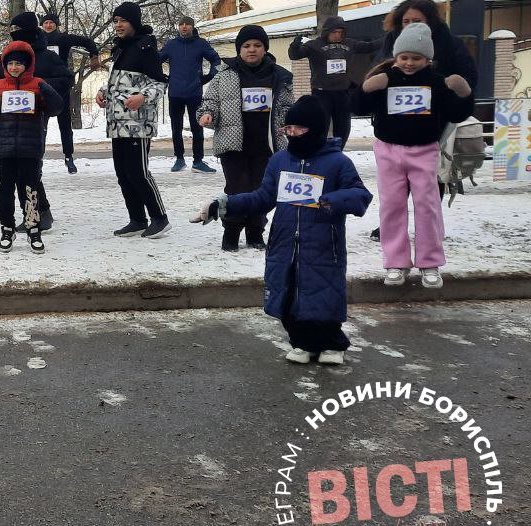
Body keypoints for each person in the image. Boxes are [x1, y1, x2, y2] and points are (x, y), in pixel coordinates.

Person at [194, 96, 372, 365]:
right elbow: (262, 197)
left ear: (315, 130)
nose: (292, 134)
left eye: (298, 129)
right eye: (288, 129)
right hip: (284, 243)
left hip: (324, 245)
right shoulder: (279, 161)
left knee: (323, 291)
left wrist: (333, 200)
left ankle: (332, 343)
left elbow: (360, 195)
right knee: (288, 294)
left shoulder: (338, 163)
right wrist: (224, 203)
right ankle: (301, 342)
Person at [356, 22, 473, 289]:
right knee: (392, 207)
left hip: (424, 151)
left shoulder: (436, 82)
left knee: (427, 206)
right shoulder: (387, 79)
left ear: (427, 59)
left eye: (416, 58)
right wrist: (367, 89)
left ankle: (430, 263)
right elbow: (357, 107)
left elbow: (456, 113)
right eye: (404, 57)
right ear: (396, 57)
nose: (409, 63)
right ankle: (395, 262)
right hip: (388, 150)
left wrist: (464, 93)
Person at [197, 25, 294, 251]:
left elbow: (288, 107)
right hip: (233, 145)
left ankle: (255, 232)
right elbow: (209, 102)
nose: (252, 49)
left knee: (262, 191)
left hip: (267, 146)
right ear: (239, 49)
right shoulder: (224, 75)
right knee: (237, 189)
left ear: (265, 48)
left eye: (257, 45)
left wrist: (290, 123)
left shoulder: (280, 76)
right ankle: (231, 233)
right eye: (247, 46)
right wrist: (207, 115)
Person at [0, 39, 64, 254]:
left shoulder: (37, 84)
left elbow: (55, 109)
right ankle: (7, 229)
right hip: (5, 149)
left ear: (27, 65)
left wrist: (49, 92)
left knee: (30, 190)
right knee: (5, 191)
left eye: (18, 63)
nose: (14, 67)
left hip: (30, 148)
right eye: (10, 63)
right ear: (4, 65)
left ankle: (33, 229)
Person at [95, 1, 169, 239]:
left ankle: (160, 218)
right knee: (123, 174)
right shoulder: (120, 48)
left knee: (139, 172)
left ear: (134, 22)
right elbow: (119, 83)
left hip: (138, 124)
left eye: (123, 21)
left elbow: (160, 84)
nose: (118, 25)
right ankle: (137, 219)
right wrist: (103, 92)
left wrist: (142, 97)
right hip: (117, 123)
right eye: (115, 21)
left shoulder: (146, 48)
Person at [287, 16, 379, 150]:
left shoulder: (349, 44)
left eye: (340, 32)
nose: (337, 35)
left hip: (343, 93)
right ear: (327, 31)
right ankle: (319, 152)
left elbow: (369, 47)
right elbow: (295, 55)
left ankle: (338, 151)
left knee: (343, 127)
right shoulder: (315, 45)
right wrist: (295, 45)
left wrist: (391, 37)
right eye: (334, 32)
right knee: (320, 126)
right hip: (321, 94)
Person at [41, 12, 102, 174]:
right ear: (41, 25)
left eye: (51, 23)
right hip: (42, 85)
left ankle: (69, 156)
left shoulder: (63, 39)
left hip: (60, 85)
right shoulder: (37, 39)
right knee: (40, 125)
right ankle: (38, 157)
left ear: (56, 25)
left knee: (65, 124)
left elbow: (87, 41)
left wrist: (94, 56)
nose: (48, 25)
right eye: (45, 23)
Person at [160, 15, 220, 173]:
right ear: (178, 27)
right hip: (175, 93)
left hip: (194, 93)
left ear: (193, 27)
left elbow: (215, 60)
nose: (184, 27)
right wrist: (163, 77)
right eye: (181, 24)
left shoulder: (201, 44)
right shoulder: (171, 45)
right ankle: (179, 159)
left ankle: (198, 161)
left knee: (197, 128)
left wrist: (210, 76)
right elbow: (155, 61)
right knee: (176, 128)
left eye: (187, 24)